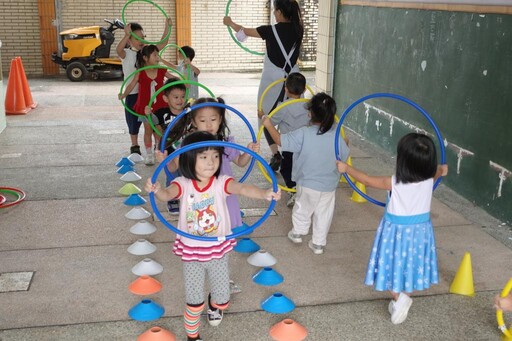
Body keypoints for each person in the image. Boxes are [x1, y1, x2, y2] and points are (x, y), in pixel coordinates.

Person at [145, 131, 280, 341]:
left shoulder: (221, 182)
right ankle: (193, 336)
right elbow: (166, 195)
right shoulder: (183, 183)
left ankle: (214, 302)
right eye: (204, 157)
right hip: (192, 253)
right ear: (189, 158)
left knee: (222, 300)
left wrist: (264, 194)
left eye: (215, 156)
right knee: (193, 302)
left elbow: (243, 188)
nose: (211, 162)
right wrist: (156, 190)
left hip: (217, 250)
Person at [336, 133, 449, 325]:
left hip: (395, 233)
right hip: (420, 233)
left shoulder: (394, 182)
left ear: (402, 161)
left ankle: (399, 298)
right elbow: (436, 172)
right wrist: (441, 170)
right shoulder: (429, 180)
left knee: (388, 265)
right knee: (410, 265)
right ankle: (400, 299)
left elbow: (368, 180)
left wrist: (346, 168)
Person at [261, 92, 350, 255]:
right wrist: (345, 142)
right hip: (329, 185)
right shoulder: (338, 135)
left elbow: (280, 141)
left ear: (309, 113)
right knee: (324, 213)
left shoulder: (303, 133)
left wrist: (267, 124)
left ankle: (298, 233)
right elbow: (344, 156)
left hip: (307, 182)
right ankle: (318, 243)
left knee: (302, 207)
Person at [224, 0, 303, 171]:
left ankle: (277, 155)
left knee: (264, 116)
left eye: (276, 11)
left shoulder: (270, 30)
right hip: (294, 79)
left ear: (281, 12)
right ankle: (294, 153)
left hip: (272, 79)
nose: (274, 14)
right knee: (294, 116)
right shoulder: (299, 30)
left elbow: (243, 31)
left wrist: (229, 22)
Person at [158, 97, 259, 229]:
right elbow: (173, 167)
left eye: (213, 119)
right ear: (194, 122)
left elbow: (240, 162)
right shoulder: (188, 144)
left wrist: (249, 153)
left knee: (225, 224)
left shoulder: (225, 143)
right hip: (199, 196)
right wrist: (164, 161)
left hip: (223, 193)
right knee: (203, 225)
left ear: (220, 120)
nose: (209, 124)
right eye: (203, 120)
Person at [116, 19, 172, 155]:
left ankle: (156, 147)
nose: (141, 40)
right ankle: (135, 146)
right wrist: (125, 35)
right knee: (133, 122)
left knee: (153, 123)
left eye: (143, 37)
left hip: (149, 95)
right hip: (132, 94)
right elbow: (118, 49)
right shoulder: (126, 54)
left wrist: (167, 27)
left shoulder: (147, 52)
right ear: (130, 40)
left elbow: (162, 43)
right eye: (137, 38)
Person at [258, 72, 308, 207]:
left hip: (289, 145)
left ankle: (293, 190)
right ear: (304, 89)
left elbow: (271, 122)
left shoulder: (283, 107)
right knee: (304, 167)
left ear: (285, 89)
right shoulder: (309, 105)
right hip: (306, 145)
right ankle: (303, 189)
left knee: (287, 169)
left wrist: (263, 115)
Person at [119, 45, 175, 166]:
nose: (157, 57)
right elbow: (131, 85)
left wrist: (183, 83)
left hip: (160, 106)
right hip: (145, 107)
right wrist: (124, 95)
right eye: (154, 55)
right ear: (145, 58)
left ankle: (157, 151)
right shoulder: (140, 72)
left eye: (158, 54)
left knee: (159, 130)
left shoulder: (161, 70)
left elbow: (173, 80)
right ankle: (149, 154)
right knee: (148, 130)